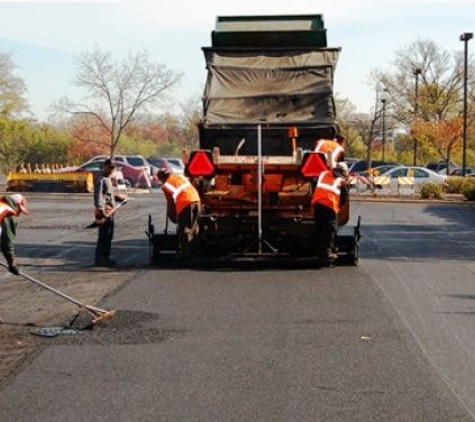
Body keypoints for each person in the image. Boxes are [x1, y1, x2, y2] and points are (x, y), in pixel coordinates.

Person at [156, 168, 201, 257]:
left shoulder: (166, 186)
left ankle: (186, 254)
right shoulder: (181, 177)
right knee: (194, 227)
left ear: (161, 178)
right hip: (196, 200)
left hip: (186, 204)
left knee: (183, 230)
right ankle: (196, 251)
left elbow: (170, 204)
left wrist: (173, 216)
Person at [312, 162, 349, 265]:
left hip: (318, 204)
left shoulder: (324, 174)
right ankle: (327, 253)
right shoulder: (342, 181)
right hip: (330, 206)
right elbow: (344, 198)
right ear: (344, 172)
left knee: (320, 228)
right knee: (330, 230)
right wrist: (339, 208)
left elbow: (314, 182)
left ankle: (319, 251)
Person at [93, 159, 126, 267]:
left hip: (110, 211)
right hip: (104, 212)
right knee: (103, 236)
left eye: (113, 167)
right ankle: (99, 259)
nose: (111, 169)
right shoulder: (101, 179)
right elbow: (98, 197)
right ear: (104, 166)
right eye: (109, 167)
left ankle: (105, 258)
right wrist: (101, 211)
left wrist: (118, 198)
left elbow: (108, 196)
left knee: (108, 236)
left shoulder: (108, 179)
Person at [0, 193, 29, 275]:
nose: (18, 213)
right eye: (19, 210)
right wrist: (11, 262)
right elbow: (7, 240)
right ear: (16, 204)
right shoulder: (7, 211)